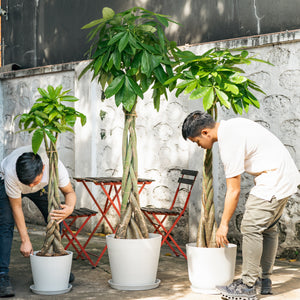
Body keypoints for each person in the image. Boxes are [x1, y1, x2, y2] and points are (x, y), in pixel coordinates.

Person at [182, 111, 300, 300]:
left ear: (205, 133)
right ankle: (264, 280)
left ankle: (248, 285)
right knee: (268, 229)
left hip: (274, 179)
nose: (200, 146)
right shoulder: (233, 125)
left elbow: (233, 190)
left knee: (251, 228)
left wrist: (223, 225)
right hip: (283, 176)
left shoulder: (228, 142)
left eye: (196, 141)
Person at [0, 145, 76, 297]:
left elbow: (69, 192)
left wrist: (69, 208)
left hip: (44, 186)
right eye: (28, 184)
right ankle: (2, 275)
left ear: (43, 169)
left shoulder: (55, 167)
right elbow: (17, 208)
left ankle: (56, 265)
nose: (30, 187)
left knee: (56, 215)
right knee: (5, 225)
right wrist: (25, 240)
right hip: (7, 183)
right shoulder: (11, 173)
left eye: (34, 182)